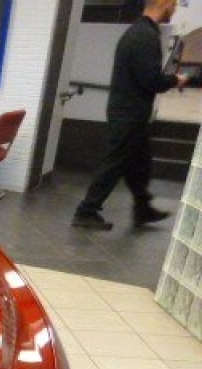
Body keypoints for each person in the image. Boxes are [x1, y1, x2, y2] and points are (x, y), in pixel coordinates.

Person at [72, 0, 187, 231]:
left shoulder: (138, 32)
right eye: (173, 4)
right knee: (114, 163)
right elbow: (150, 80)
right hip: (129, 114)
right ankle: (86, 210)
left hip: (130, 112)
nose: (174, 10)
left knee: (139, 162)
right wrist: (175, 80)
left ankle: (142, 207)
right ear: (163, 4)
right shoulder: (144, 36)